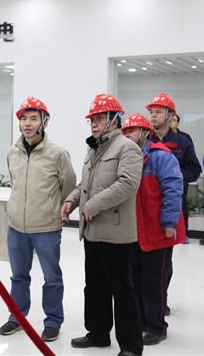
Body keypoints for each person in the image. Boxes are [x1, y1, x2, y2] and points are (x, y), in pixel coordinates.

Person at [62, 93, 144, 356]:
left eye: (99, 118)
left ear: (114, 119)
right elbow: (85, 185)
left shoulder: (127, 147)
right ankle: (98, 334)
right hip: (93, 231)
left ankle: (131, 347)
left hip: (117, 234)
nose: (94, 124)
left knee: (123, 290)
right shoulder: (93, 148)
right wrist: (72, 200)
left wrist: (93, 204)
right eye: (92, 119)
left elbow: (128, 184)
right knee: (95, 287)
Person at [0, 96, 76, 342]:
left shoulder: (58, 153)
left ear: (44, 122)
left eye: (33, 118)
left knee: (51, 277)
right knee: (18, 276)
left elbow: (68, 186)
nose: (28, 123)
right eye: (24, 118)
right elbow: (14, 184)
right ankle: (16, 317)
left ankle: (53, 321)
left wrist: (54, 209)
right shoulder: (13, 152)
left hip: (46, 227)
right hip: (16, 227)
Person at [121, 112, 185, 346]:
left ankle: (157, 327)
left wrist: (169, 223)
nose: (128, 135)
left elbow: (173, 191)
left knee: (153, 282)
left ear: (145, 132)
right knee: (135, 279)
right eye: (125, 131)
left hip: (158, 231)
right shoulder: (126, 157)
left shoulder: (161, 157)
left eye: (132, 130)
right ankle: (141, 322)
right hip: (135, 231)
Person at [147, 93, 201, 242]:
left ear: (170, 116)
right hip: (148, 200)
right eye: (151, 112)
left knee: (166, 245)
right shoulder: (145, 140)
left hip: (173, 199)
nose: (153, 115)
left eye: (158, 112)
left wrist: (174, 176)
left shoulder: (183, 142)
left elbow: (195, 170)